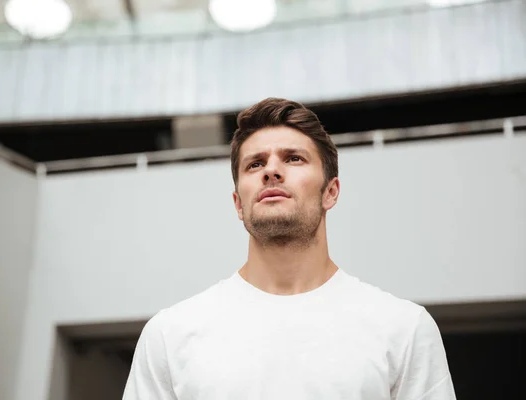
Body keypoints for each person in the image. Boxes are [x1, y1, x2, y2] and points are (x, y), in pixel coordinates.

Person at [122, 98, 456, 400]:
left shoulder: (404, 329)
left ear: (331, 191)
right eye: (255, 164)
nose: (271, 170)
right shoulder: (169, 336)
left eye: (293, 158)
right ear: (239, 204)